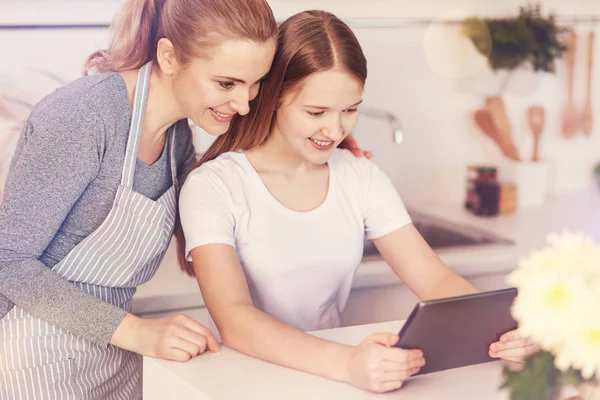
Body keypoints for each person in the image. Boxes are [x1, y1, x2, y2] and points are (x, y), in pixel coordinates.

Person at [178, 10, 541, 394]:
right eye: (316, 112)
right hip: (248, 381)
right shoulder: (214, 186)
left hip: (338, 380)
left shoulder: (359, 175)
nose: (334, 130)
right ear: (272, 98)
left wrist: (505, 330)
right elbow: (236, 319)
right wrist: (347, 362)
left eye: (349, 110)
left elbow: (433, 278)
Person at [0, 0, 282, 398]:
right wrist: (138, 332)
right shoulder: (84, 115)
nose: (244, 104)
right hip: (26, 357)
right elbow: (7, 261)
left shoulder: (177, 135)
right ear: (168, 56)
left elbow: (212, 214)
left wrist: (308, 145)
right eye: (226, 84)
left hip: (110, 357)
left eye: (256, 83)